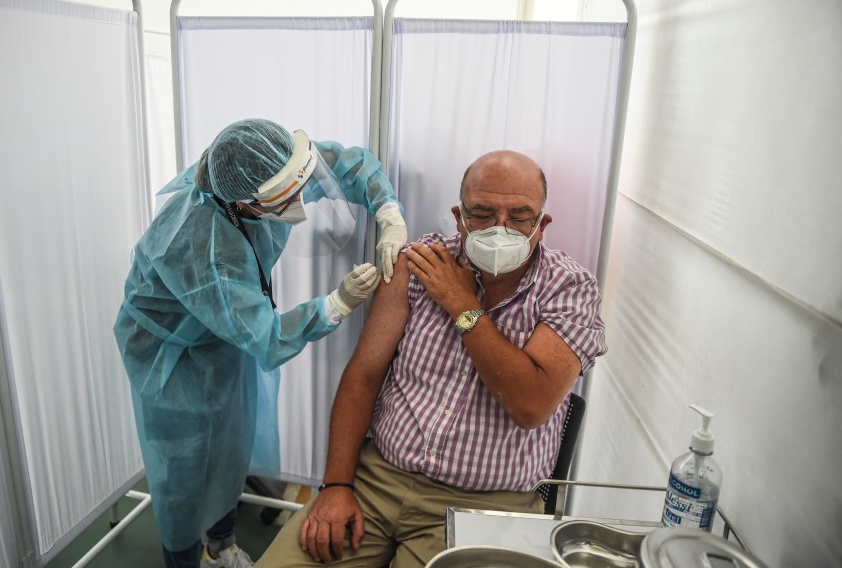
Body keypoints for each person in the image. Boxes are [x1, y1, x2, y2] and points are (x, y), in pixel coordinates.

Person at [256, 149, 607, 567]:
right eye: (482, 213)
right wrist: (335, 486)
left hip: (487, 505)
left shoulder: (569, 289)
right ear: (459, 217)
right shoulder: (419, 264)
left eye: (519, 216)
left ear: (542, 225)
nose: (500, 229)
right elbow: (364, 376)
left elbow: (530, 405)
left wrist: (461, 304)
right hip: (378, 479)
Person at [113, 118, 408, 568]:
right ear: (245, 204)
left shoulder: (268, 169)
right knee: (184, 469)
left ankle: (221, 542)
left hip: (222, 333)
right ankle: (183, 558)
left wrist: (388, 210)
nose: (299, 201)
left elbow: (345, 165)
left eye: (299, 186)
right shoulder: (203, 244)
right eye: (284, 199)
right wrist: (334, 304)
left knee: (231, 445)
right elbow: (265, 337)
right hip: (171, 356)